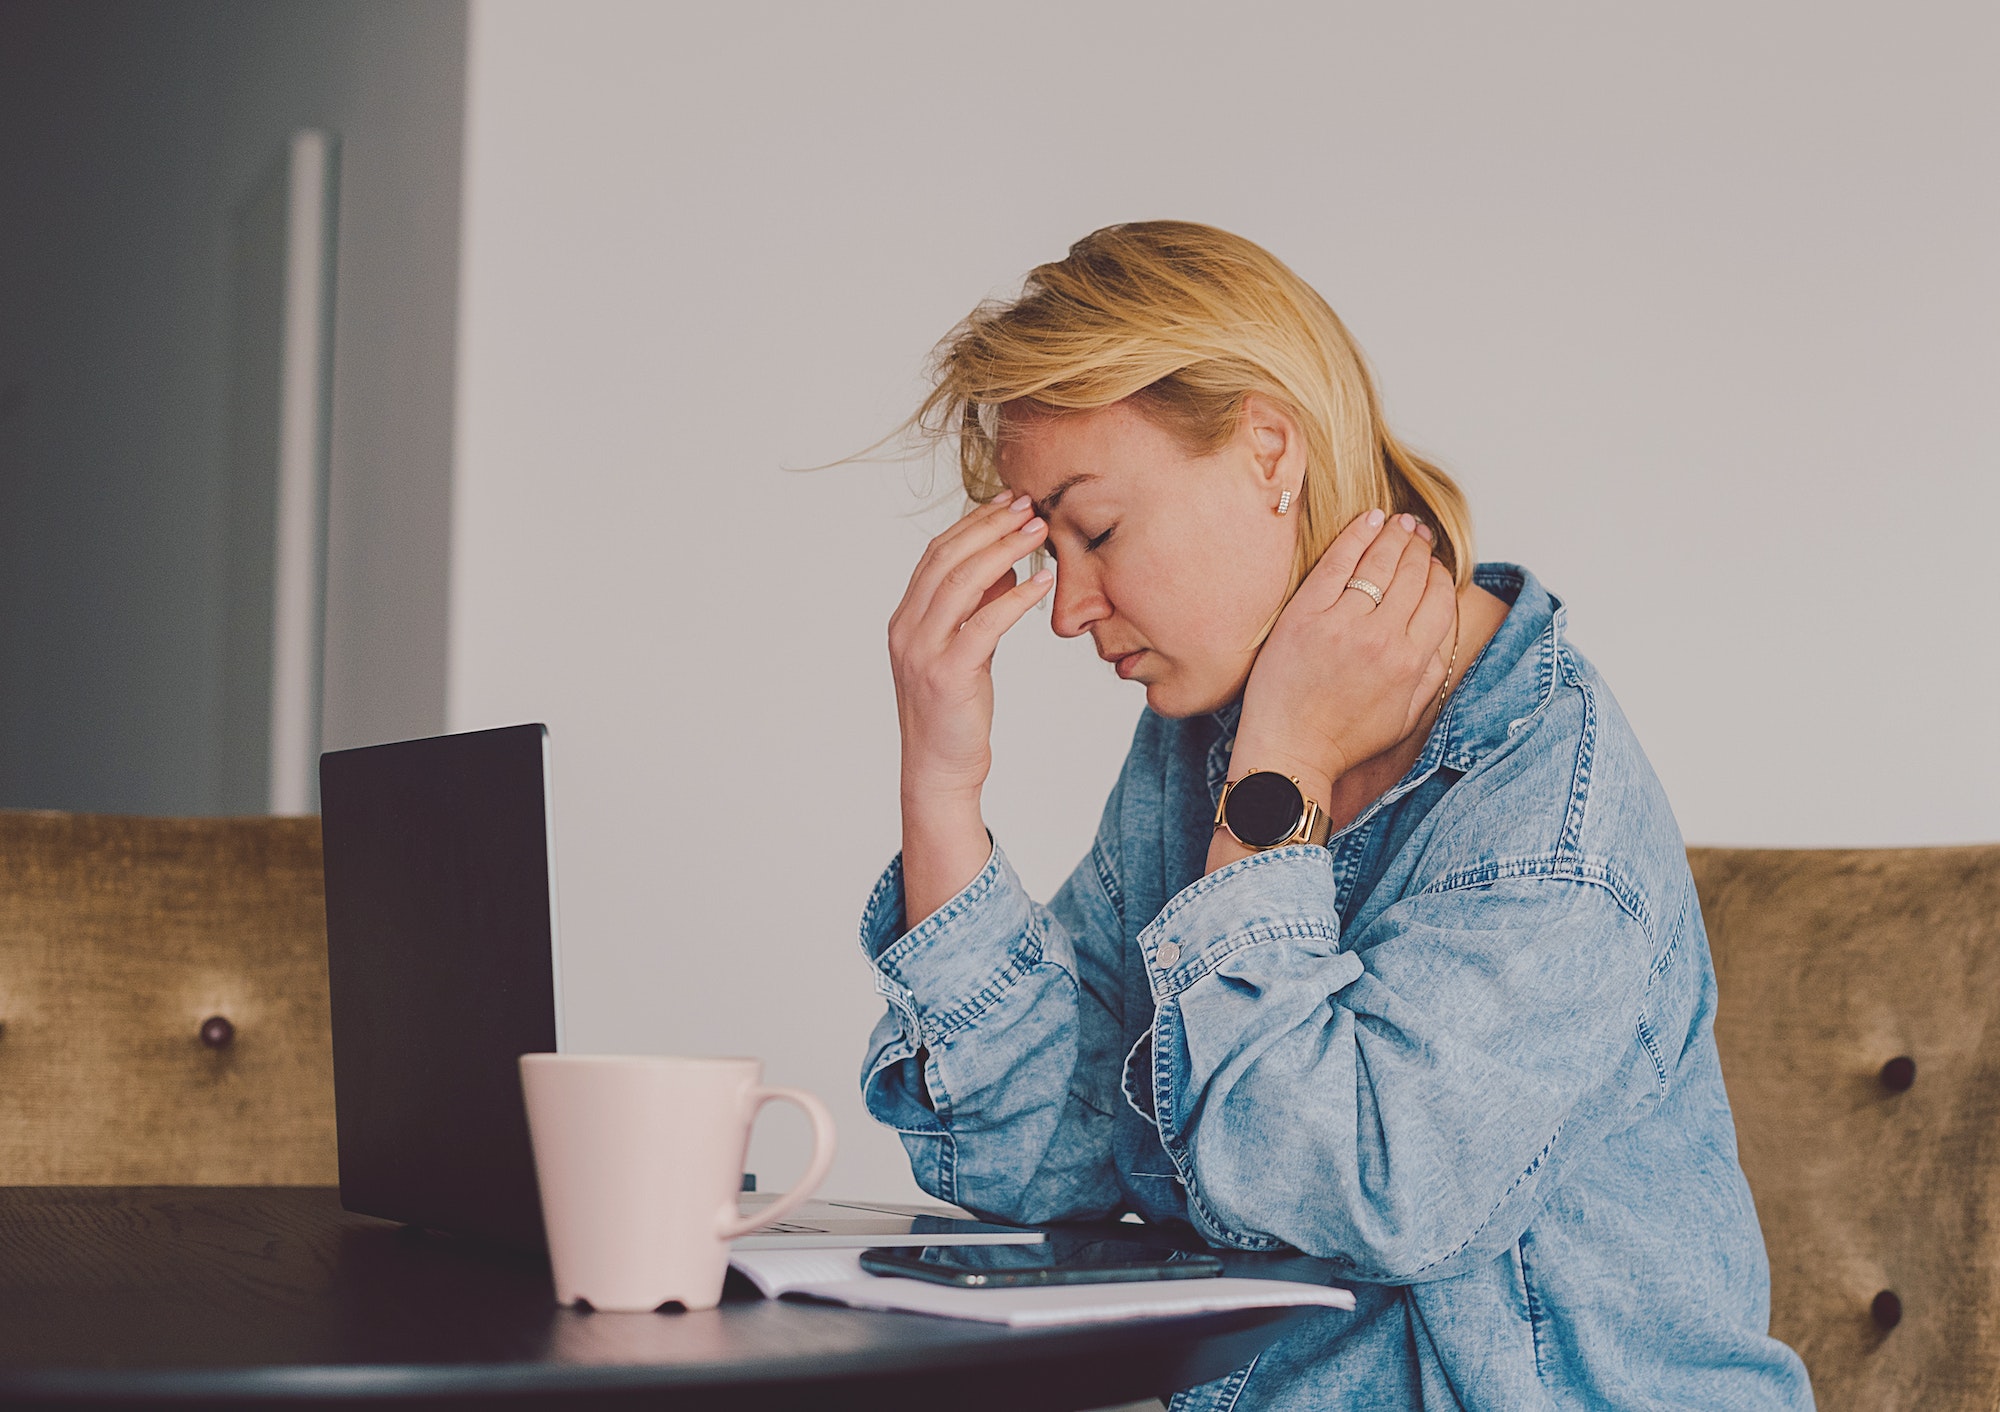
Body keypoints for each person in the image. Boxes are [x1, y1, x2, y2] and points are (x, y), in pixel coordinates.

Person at [856, 221, 1813, 1410]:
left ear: (1268, 449)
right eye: (1049, 553)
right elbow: (1042, 1157)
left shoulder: (1543, 802)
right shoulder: (1198, 741)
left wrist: (1281, 777)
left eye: (1094, 531)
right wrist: (940, 784)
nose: (1069, 611)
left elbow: (1340, 1186)